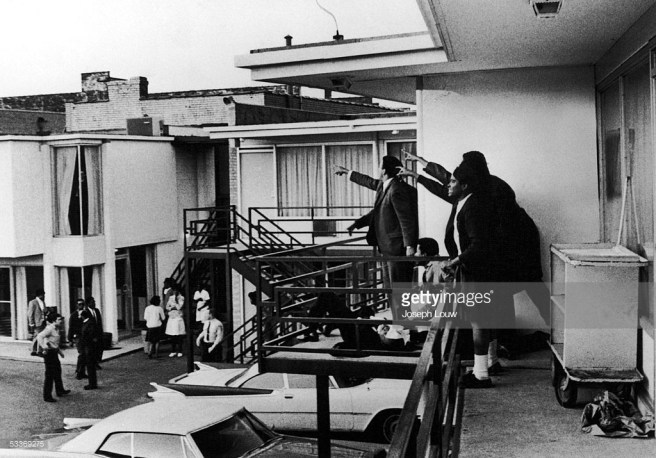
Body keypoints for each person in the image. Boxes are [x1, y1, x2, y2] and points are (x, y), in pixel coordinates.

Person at [334, 156, 419, 319]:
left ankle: (405, 324)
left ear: (384, 170)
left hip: (396, 248)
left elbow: (406, 219)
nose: (378, 169)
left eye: (380, 166)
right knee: (391, 288)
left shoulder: (396, 189)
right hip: (387, 246)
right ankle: (398, 322)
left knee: (400, 289)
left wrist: (410, 245)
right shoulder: (385, 186)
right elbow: (368, 184)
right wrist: (357, 223)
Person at [441, 164, 495, 388]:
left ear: (464, 185)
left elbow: (479, 244)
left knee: (478, 321)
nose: (448, 184)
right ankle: (487, 364)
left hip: (476, 272)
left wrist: (455, 261)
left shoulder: (472, 207)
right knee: (480, 320)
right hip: (472, 270)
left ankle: (481, 374)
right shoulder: (464, 202)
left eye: (453, 181)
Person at [37, 313, 70, 402]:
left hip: (54, 353)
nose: (61, 321)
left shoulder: (56, 328)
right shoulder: (49, 329)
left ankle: (60, 390)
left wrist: (60, 352)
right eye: (59, 319)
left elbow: (54, 342)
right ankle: (47, 396)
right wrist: (44, 346)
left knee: (57, 372)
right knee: (49, 375)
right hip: (49, 354)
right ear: (54, 320)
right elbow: (40, 336)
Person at [78, 309, 99, 390]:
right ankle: (92, 383)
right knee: (89, 366)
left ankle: (92, 384)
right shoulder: (87, 323)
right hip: (87, 347)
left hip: (89, 348)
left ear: (83, 316)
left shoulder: (89, 324)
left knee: (90, 366)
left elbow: (90, 336)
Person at [165, 282, 185, 357]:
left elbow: (179, 307)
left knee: (179, 335)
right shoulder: (171, 298)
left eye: (176, 290)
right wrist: (172, 308)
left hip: (178, 318)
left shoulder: (181, 298)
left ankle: (180, 350)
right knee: (172, 335)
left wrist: (175, 302)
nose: (174, 291)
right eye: (174, 290)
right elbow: (167, 307)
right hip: (172, 317)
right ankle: (173, 350)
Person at [68, 299, 87, 379]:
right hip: (78, 337)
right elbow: (71, 327)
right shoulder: (73, 315)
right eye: (79, 304)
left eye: (82, 304)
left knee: (85, 354)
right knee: (81, 354)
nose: (81, 306)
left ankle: (82, 371)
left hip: (85, 337)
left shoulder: (86, 313)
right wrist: (70, 339)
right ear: (77, 305)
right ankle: (79, 372)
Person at [27, 289, 47, 356]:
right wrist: (31, 323)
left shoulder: (43, 302)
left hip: (43, 322)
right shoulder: (33, 302)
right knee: (40, 336)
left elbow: (45, 311)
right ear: (39, 295)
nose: (44, 296)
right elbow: (30, 314)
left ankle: (33, 350)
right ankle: (39, 351)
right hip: (37, 322)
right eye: (43, 295)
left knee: (37, 336)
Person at [86, 297, 103, 369]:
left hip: (98, 333)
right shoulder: (86, 312)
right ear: (88, 304)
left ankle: (96, 362)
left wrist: (100, 333)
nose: (94, 304)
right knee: (92, 350)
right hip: (91, 335)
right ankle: (93, 364)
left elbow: (99, 322)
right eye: (92, 302)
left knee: (98, 349)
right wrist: (92, 336)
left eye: (94, 302)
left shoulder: (97, 311)